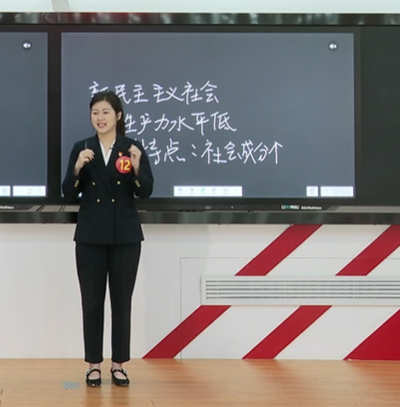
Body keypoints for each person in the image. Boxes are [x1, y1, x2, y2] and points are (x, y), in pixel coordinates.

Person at [62, 90, 153, 387]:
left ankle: (118, 365)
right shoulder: (82, 147)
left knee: (121, 303)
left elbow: (145, 191)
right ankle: (93, 365)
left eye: (105, 112)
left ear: (118, 115)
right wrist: (78, 167)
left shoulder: (131, 148)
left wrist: (137, 167)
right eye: (95, 112)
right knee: (91, 302)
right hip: (90, 236)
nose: (100, 118)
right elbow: (68, 192)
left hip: (125, 236)